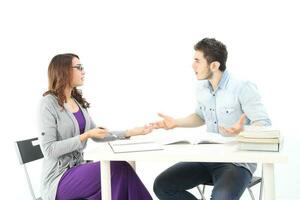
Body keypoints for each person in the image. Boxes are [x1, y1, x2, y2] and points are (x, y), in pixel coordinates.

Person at [151, 38, 271, 200]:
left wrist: (243, 131)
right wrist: (176, 123)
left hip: (236, 163)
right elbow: (200, 117)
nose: (193, 66)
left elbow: (263, 123)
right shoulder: (202, 88)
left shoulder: (242, 87)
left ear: (214, 65)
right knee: (163, 186)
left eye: (197, 61)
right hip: (206, 157)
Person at [39, 53, 153, 200]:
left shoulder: (76, 101)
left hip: (77, 169)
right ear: (64, 71)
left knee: (119, 180)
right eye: (79, 67)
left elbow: (97, 134)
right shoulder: (48, 103)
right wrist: (85, 136)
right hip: (58, 178)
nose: (83, 71)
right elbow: (49, 150)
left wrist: (129, 132)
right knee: (118, 169)